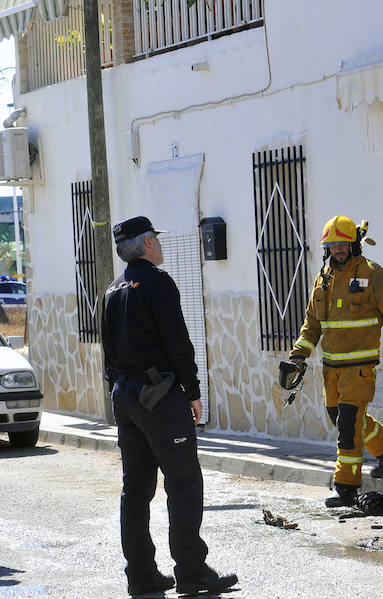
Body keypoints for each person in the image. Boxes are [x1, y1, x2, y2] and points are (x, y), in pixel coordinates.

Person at [102, 216, 238, 597]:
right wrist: (193, 392)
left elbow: (108, 353)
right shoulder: (157, 283)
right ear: (147, 244)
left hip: (126, 395)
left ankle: (141, 575)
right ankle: (192, 571)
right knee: (183, 482)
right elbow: (178, 342)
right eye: (156, 240)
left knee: (136, 490)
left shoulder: (112, 289)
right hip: (158, 395)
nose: (160, 246)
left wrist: (121, 395)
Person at [289, 215, 383, 508]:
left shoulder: (372, 273)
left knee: (347, 427)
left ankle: (346, 487)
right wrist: (298, 356)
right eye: (331, 245)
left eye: (342, 244)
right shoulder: (323, 278)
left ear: (353, 243)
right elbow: (311, 323)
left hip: (359, 368)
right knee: (342, 420)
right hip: (330, 370)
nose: (337, 250)